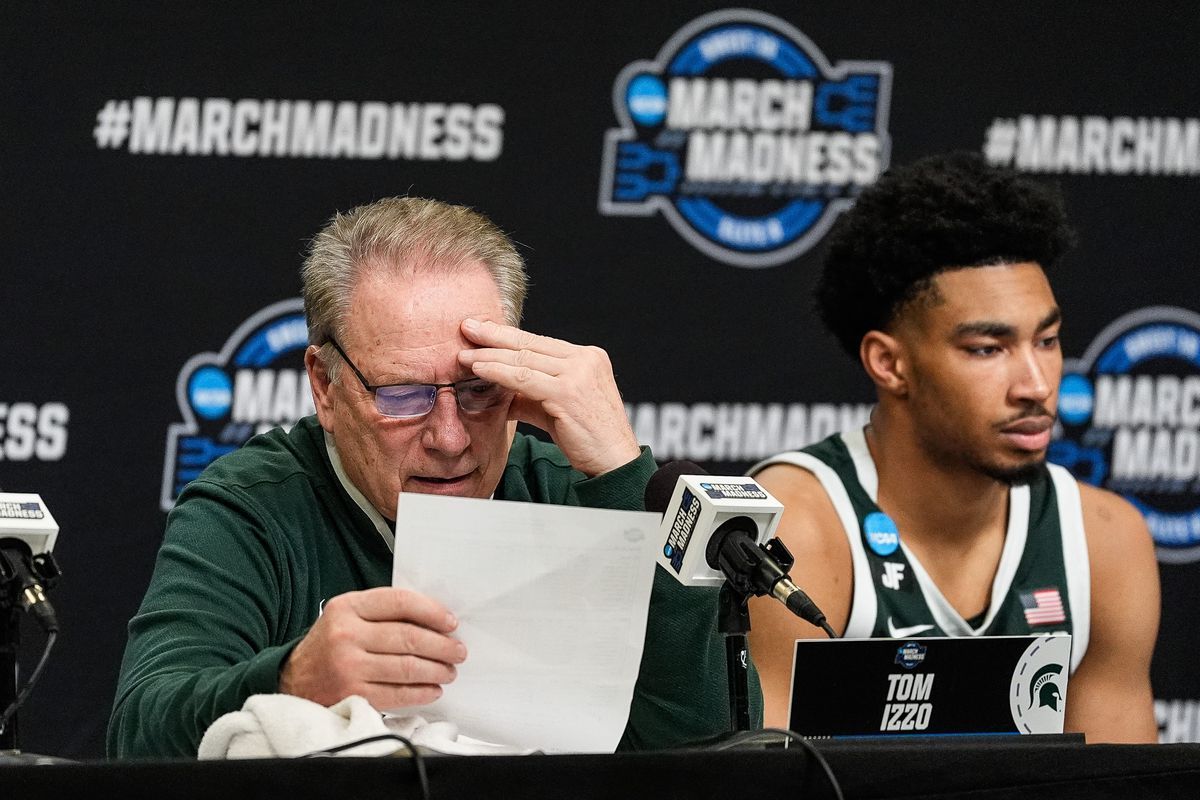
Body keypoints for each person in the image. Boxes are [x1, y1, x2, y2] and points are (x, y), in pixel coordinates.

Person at [109, 197, 756, 758]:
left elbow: (720, 752)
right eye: (402, 395)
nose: (449, 437)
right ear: (325, 386)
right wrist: (292, 678)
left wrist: (621, 473)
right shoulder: (254, 507)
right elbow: (137, 737)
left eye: (479, 390)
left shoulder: (575, 494)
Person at [747, 152, 1159, 743]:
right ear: (890, 363)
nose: (1038, 386)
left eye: (1046, 340)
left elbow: (1115, 781)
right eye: (987, 349)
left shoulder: (1104, 541)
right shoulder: (801, 531)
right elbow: (770, 779)